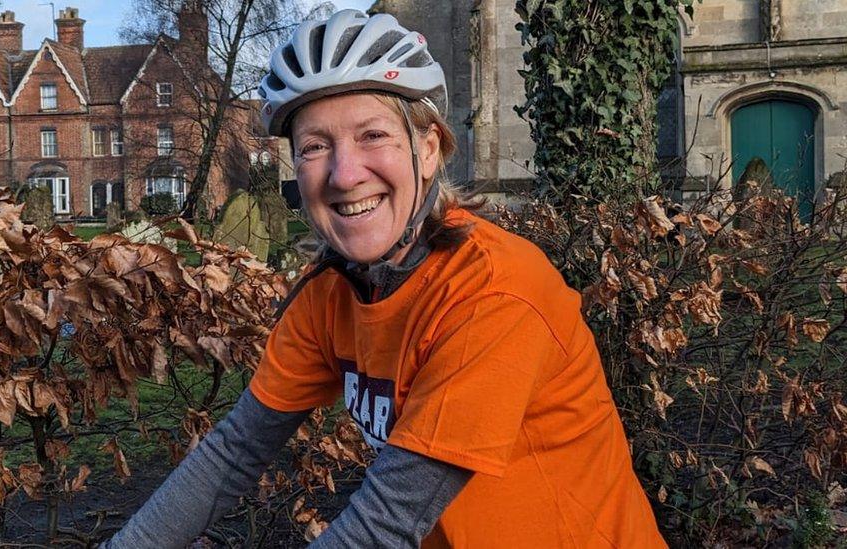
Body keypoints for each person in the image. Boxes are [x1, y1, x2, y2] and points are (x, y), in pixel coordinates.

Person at [103, 9, 667, 548]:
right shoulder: (333, 291)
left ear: (427, 149)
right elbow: (233, 455)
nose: (345, 175)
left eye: (372, 136)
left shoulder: (494, 291)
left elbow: (384, 524)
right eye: (316, 147)